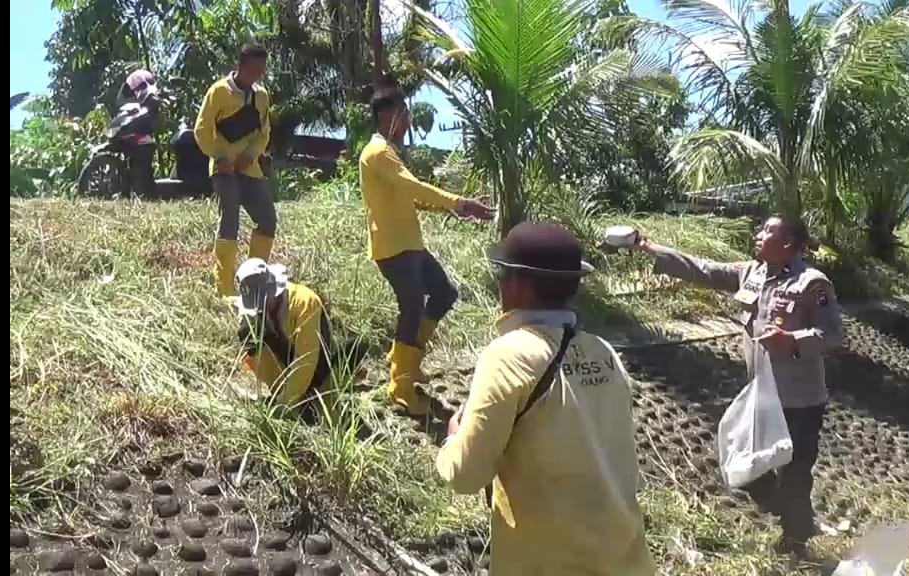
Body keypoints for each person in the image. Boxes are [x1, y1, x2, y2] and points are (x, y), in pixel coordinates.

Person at [436, 222, 655, 576]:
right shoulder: (604, 352)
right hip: (627, 560)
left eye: (501, 276)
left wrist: (453, 438)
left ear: (517, 285)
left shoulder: (508, 354)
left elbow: (465, 475)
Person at [630, 214, 844, 555]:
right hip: (762, 395)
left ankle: (795, 544)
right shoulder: (752, 273)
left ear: (787, 243)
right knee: (743, 465)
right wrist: (651, 248)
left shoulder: (812, 284)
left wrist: (791, 339)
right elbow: (704, 269)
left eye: (767, 231)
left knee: (795, 471)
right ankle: (793, 512)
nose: (758, 235)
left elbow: (832, 336)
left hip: (800, 401)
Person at [360, 86, 495, 415]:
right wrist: (460, 203)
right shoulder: (379, 152)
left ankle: (407, 356)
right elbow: (413, 186)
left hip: (409, 244)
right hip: (393, 246)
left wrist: (454, 209)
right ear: (386, 116)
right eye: (402, 112)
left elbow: (412, 197)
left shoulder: (389, 152)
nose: (407, 118)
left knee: (444, 293)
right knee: (410, 307)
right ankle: (400, 386)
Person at [196, 44, 275, 298]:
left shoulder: (261, 96)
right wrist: (220, 157)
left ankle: (253, 280)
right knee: (229, 221)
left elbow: (264, 134)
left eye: (261, 69)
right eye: (253, 68)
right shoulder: (219, 91)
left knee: (267, 220)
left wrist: (248, 157)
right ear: (239, 66)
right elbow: (201, 130)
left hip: (249, 169)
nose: (257, 74)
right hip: (223, 170)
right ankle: (225, 288)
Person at [233, 258, 332, 414]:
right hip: (285, 360)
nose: (260, 306)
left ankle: (306, 396)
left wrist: (285, 404)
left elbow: (306, 359)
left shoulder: (305, 302)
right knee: (248, 332)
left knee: (315, 409)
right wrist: (279, 394)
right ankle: (284, 394)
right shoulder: (254, 313)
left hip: (318, 364)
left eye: (264, 300)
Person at [116, 69, 163, 199]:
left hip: (143, 135)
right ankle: (131, 192)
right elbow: (122, 103)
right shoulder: (131, 100)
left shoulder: (151, 95)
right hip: (135, 133)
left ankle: (148, 195)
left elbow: (153, 118)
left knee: (143, 169)